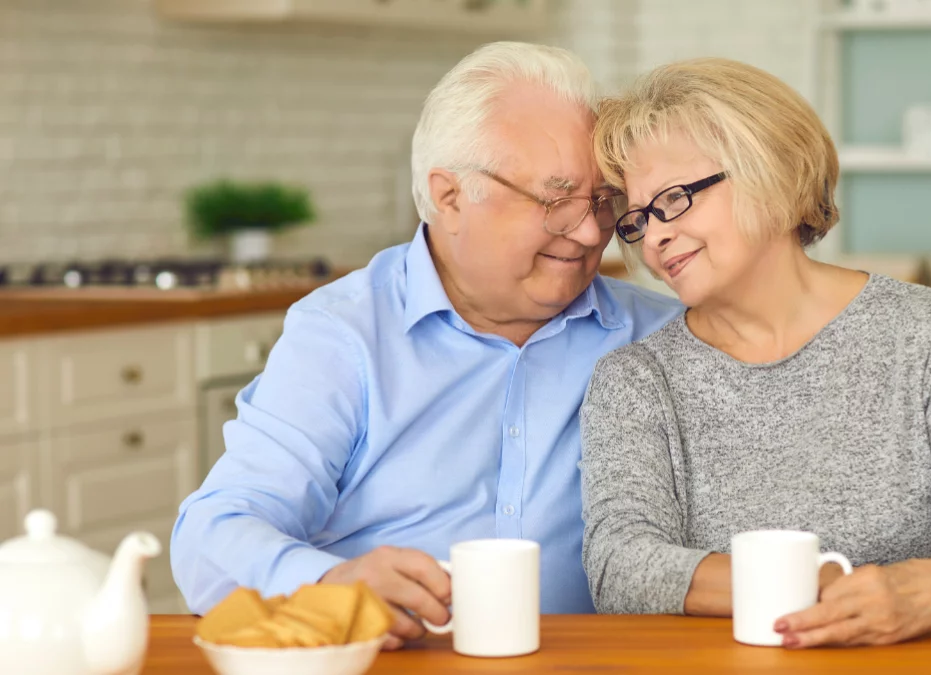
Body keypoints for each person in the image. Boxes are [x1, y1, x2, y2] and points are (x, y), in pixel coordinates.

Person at [171, 42, 679, 649]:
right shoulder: (345, 334)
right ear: (449, 197)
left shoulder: (660, 334)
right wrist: (332, 582)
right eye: (557, 200)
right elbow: (213, 535)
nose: (592, 231)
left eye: (603, 201)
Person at [579, 58, 931, 648]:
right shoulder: (637, 380)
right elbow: (620, 567)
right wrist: (816, 585)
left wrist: (926, 592)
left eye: (673, 198)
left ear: (772, 173)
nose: (655, 236)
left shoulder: (926, 335)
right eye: (637, 220)